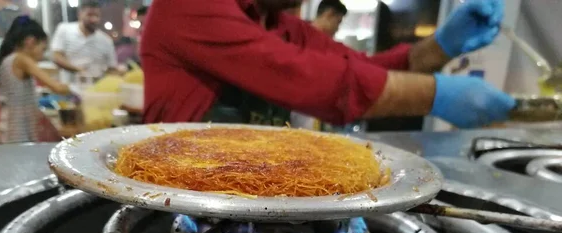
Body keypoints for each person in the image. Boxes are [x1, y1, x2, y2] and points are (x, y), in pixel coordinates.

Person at [141, 0, 514, 129]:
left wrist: (440, 46)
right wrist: (434, 95)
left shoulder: (286, 27)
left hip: (255, 196)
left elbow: (362, 67)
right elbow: (304, 77)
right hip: (172, 205)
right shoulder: (188, 6)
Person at [0, 16, 70, 144]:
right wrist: (79, 88)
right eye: (43, 48)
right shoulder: (21, 59)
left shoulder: (7, 60)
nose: (42, 54)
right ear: (30, 41)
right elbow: (58, 88)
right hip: (17, 130)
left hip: (8, 127)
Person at [50, 0, 117, 83]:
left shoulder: (106, 40)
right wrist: (78, 70)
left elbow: (112, 68)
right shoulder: (64, 30)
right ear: (80, 14)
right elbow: (56, 57)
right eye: (90, 15)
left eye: (97, 16)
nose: (94, 19)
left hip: (95, 90)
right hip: (68, 88)